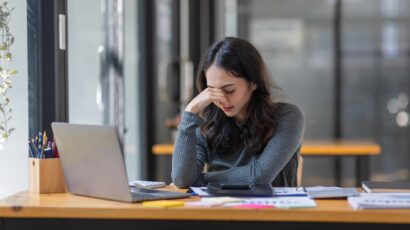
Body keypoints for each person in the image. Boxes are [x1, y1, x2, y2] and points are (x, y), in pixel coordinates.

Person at [171, 37, 305, 188]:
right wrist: (190, 112)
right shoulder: (205, 122)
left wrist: (199, 179)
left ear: (254, 82)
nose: (221, 99)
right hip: (219, 209)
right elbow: (182, 180)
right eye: (212, 91)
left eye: (229, 90)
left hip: (270, 210)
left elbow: (259, 177)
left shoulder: (288, 116)